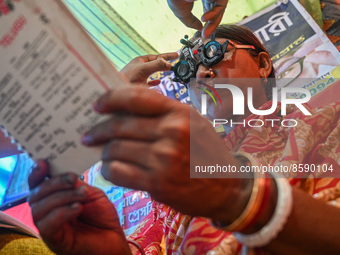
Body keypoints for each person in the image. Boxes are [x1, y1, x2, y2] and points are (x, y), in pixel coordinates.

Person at [28, 23, 340, 255]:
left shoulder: (326, 122)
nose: (202, 73)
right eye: (189, 68)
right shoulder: (176, 174)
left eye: (214, 53)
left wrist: (237, 195)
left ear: (262, 65)